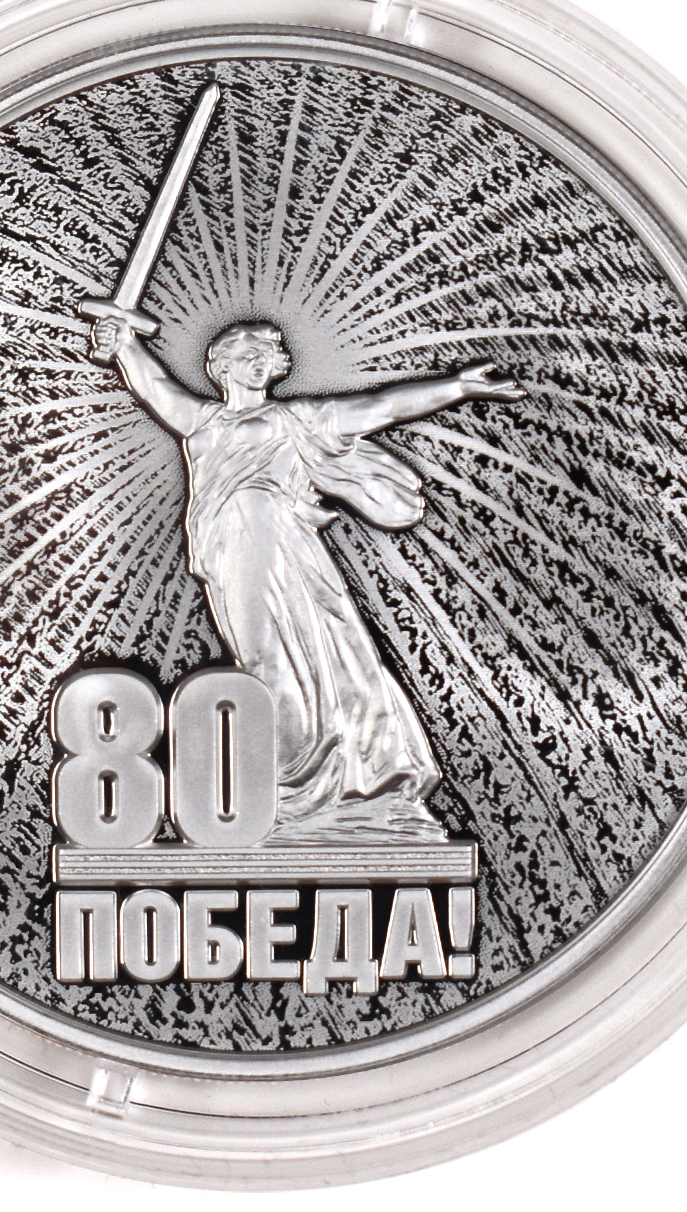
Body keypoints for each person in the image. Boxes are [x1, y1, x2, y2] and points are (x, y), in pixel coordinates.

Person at [93, 317, 525, 844]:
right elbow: (154, 385)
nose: (258, 363)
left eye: (265, 355)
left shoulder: (295, 419)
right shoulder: (201, 420)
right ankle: (290, 786)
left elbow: (382, 406)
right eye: (247, 354)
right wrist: (125, 344)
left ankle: (304, 788)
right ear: (221, 366)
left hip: (280, 548)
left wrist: (456, 386)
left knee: (300, 657)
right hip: (230, 554)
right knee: (262, 659)